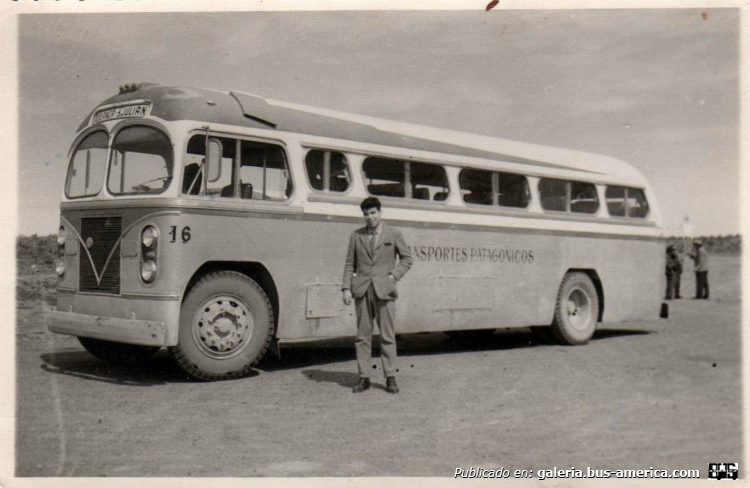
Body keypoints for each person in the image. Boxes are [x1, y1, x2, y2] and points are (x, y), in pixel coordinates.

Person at [342, 197, 413, 394]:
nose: (370, 217)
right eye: (366, 214)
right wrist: (346, 288)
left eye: (373, 213)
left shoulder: (394, 234)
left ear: (380, 213)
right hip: (362, 291)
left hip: (385, 291)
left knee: (387, 336)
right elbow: (349, 263)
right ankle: (363, 377)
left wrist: (393, 276)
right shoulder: (356, 236)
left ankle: (390, 377)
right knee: (362, 337)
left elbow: (407, 259)